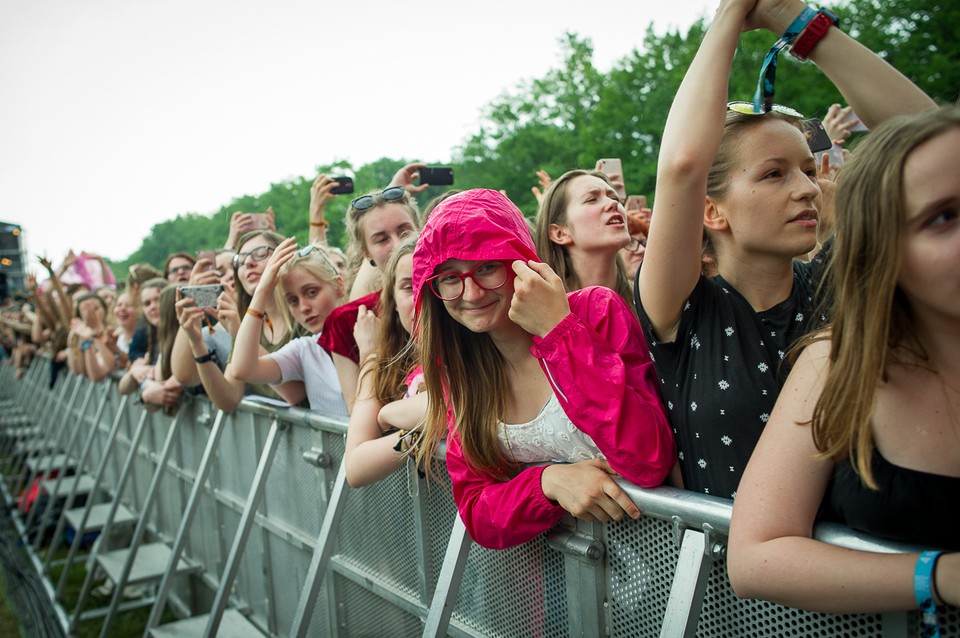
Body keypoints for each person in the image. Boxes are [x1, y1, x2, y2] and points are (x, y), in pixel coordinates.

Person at [634, 0, 936, 498]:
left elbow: (930, 147)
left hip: (853, 573)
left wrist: (799, 23)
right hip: (719, 575)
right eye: (774, 174)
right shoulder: (682, 309)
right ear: (712, 212)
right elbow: (684, 164)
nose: (808, 190)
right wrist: (731, 14)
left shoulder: (839, 286)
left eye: (809, 171)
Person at [729, 106, 959, 618]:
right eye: (944, 217)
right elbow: (756, 557)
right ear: (885, 250)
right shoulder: (834, 361)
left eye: (809, 174)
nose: (806, 189)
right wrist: (941, 575)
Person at [412, 189, 675, 550]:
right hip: (555, 585)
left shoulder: (596, 312)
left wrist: (559, 333)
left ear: (520, 261)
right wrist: (546, 483)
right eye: (450, 278)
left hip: (664, 561)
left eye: (487, 267)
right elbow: (476, 511)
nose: (471, 294)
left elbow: (648, 459)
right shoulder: (461, 372)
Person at [319, 177, 421, 410]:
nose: (396, 244)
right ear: (366, 252)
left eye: (405, 231)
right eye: (381, 239)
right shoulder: (346, 323)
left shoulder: (455, 296)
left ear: (421, 231)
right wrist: (370, 354)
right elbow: (359, 417)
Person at [228, 238, 347, 414]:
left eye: (312, 292)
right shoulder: (304, 350)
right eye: (292, 300)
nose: (304, 307)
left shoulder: (370, 330)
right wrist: (262, 291)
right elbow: (242, 369)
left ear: (338, 286)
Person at [344, 237, 425, 487]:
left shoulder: (480, 352)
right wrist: (418, 437)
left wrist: (388, 414)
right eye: (408, 287)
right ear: (393, 301)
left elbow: (449, 407)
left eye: (430, 281)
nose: (421, 298)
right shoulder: (379, 364)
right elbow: (356, 467)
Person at [535, 169, 634, 309]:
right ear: (559, 233)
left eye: (615, 198)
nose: (613, 203)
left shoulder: (647, 301)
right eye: (592, 199)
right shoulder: (544, 311)